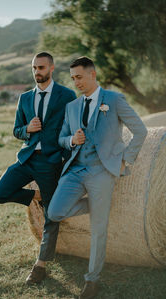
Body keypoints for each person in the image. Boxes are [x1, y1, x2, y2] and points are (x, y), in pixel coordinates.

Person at [48, 56, 147, 299]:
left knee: (98, 228)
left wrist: (126, 159)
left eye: (79, 77)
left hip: (102, 171)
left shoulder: (113, 100)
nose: (76, 82)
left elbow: (140, 130)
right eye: (73, 79)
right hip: (75, 169)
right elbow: (61, 138)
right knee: (54, 212)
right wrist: (72, 140)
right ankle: (95, 204)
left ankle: (92, 280)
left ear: (93, 74)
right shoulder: (71, 107)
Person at [0, 52, 76, 284]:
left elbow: (74, 127)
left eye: (41, 67)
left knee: (51, 216)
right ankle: (35, 196)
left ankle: (40, 265)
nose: (37, 72)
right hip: (26, 158)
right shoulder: (25, 98)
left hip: (51, 162)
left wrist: (65, 159)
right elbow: (16, 129)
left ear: (51, 68)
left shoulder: (66, 95)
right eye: (33, 68)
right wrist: (27, 129)